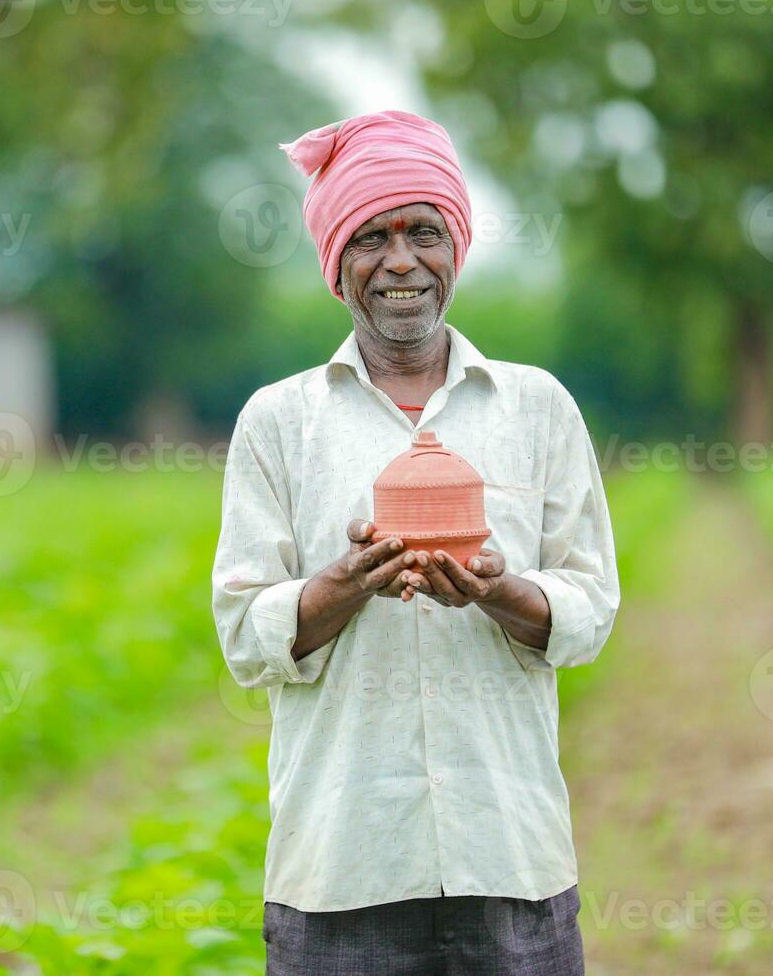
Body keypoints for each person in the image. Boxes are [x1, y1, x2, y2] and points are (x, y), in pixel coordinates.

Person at [211, 109, 619, 975]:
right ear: (336, 266)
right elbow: (245, 634)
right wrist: (345, 585)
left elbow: (591, 608)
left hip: (509, 852)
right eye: (370, 238)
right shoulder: (279, 423)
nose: (400, 261)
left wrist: (501, 592)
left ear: (456, 250)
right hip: (342, 864)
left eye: (423, 232)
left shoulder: (536, 408)